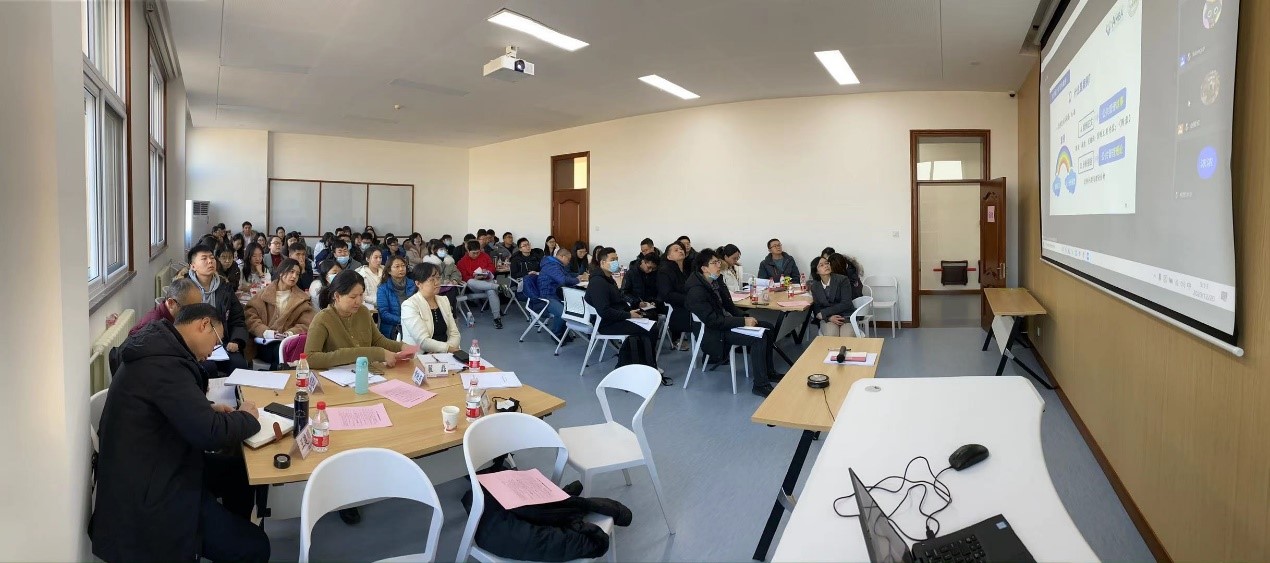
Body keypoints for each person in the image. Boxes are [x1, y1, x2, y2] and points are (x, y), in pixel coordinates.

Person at [90, 304, 268, 563]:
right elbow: (210, 433)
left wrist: (207, 408)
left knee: (238, 473)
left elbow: (168, 405)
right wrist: (248, 417)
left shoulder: (160, 350)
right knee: (258, 547)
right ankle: (226, 539)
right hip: (152, 493)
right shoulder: (165, 365)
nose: (213, 351)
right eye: (216, 341)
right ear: (203, 325)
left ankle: (226, 534)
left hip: (158, 463)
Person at [685, 249, 781, 397]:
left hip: (726, 323)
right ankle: (760, 385)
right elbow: (713, 321)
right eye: (714, 263)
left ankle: (769, 372)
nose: (719, 265)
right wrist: (742, 321)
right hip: (715, 333)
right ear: (704, 268)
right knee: (759, 337)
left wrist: (744, 317)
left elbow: (729, 306)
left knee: (767, 328)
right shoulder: (696, 290)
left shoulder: (716, 280)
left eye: (718, 261)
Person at [585, 248, 668, 383]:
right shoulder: (598, 282)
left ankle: (645, 363)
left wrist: (632, 310)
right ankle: (648, 364)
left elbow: (618, 301)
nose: (616, 262)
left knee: (649, 321)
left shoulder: (608, 279)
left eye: (617, 259)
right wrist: (628, 315)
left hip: (618, 317)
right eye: (612, 260)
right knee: (651, 329)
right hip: (607, 324)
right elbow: (604, 311)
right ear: (602, 262)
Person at [305, 270, 410, 370]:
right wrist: (376, 353)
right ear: (337, 296)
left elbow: (378, 340)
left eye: (361, 295)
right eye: (353, 297)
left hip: (366, 372)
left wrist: (402, 347)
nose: (359, 301)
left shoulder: (363, 312)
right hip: (335, 376)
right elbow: (310, 358)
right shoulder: (322, 319)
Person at [186, 244, 249, 375]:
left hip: (221, 343)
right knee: (208, 368)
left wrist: (236, 340)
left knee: (239, 365)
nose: (210, 261)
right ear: (193, 266)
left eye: (212, 257)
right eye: (204, 258)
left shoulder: (225, 287)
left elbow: (237, 318)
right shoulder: (184, 289)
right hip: (194, 346)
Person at [245, 259, 315, 369]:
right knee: (280, 352)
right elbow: (250, 316)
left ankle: (275, 375)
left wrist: (290, 333)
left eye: (297, 274)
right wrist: (266, 332)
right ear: (281, 272)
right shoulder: (263, 294)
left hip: (289, 342)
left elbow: (306, 323)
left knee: (283, 351)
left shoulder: (302, 299)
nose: (294, 276)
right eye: (291, 272)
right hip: (264, 342)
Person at [401, 262, 463, 353]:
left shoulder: (444, 300)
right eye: (431, 280)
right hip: (420, 355)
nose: (437, 282)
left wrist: (445, 351)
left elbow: (454, 333)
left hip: (447, 353)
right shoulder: (409, 305)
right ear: (418, 283)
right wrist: (447, 349)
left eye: (438, 278)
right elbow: (423, 341)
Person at [130, 279, 202, 337]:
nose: (195, 315)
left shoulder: (173, 317)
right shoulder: (154, 327)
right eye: (190, 310)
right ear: (171, 303)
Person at [538, 247, 583, 339]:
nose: (569, 262)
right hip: (547, 296)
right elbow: (563, 280)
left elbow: (566, 275)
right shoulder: (551, 266)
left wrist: (579, 276)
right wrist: (577, 280)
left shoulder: (557, 265)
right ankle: (556, 335)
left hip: (556, 294)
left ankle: (564, 334)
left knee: (573, 306)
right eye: (568, 259)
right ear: (562, 257)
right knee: (562, 312)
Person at [457, 240, 504, 329]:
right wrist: (474, 277)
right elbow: (463, 277)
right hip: (475, 285)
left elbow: (492, 267)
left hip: (486, 280)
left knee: (491, 291)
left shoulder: (485, 256)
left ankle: (497, 318)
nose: (476, 255)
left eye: (478, 252)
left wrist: (487, 271)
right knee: (470, 281)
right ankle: (497, 287)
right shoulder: (462, 262)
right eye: (473, 253)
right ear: (468, 251)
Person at [808, 254, 856, 337]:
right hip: (828, 319)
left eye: (827, 263)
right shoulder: (815, 286)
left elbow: (846, 303)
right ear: (816, 271)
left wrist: (825, 312)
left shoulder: (842, 280)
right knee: (831, 334)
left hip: (845, 316)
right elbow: (817, 308)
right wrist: (829, 317)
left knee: (847, 335)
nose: (826, 266)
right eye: (821, 265)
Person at [657, 241, 691, 349]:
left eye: (681, 249)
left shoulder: (687, 268)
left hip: (688, 301)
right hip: (672, 305)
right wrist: (689, 299)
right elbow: (667, 294)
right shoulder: (665, 271)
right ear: (669, 256)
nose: (680, 251)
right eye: (676, 250)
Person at [376, 255, 416, 339]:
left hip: (413, 324)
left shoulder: (413, 284)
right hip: (393, 328)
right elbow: (384, 313)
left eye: (403, 266)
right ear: (389, 271)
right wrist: (402, 320)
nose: (401, 269)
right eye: (397, 266)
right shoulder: (383, 288)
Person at [356, 246, 386, 311]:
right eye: (376, 257)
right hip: (371, 309)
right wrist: (381, 301)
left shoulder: (385, 272)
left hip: (387, 306)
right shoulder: (361, 274)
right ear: (367, 259)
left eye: (380, 257)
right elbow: (363, 296)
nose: (379, 260)